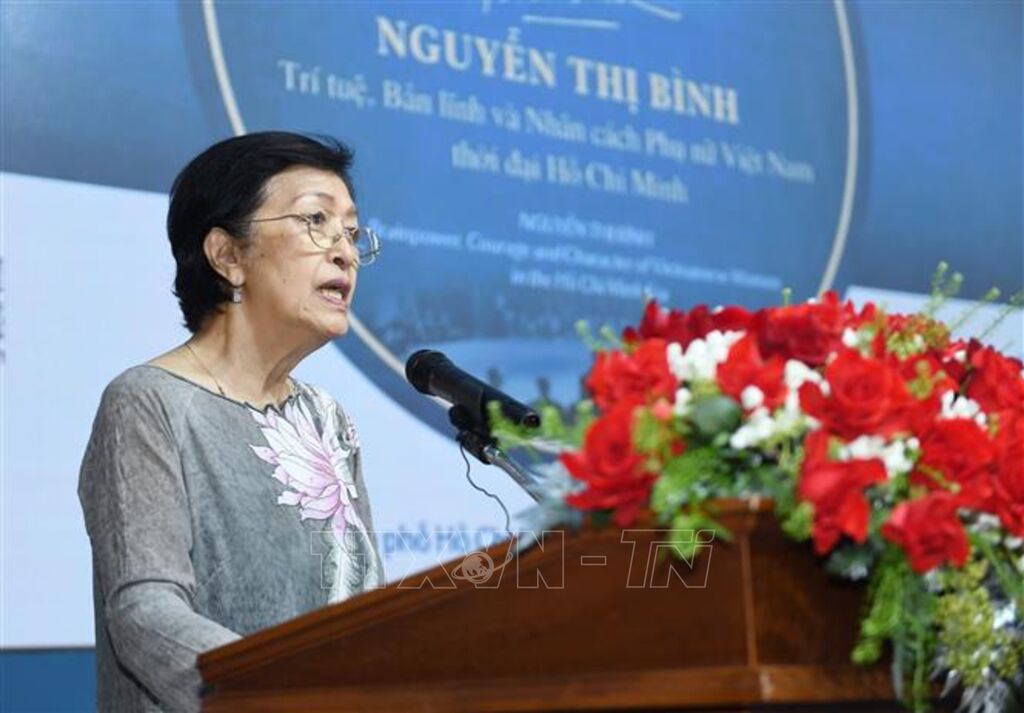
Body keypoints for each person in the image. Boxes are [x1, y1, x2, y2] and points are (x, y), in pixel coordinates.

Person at [77, 132, 385, 712]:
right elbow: (146, 613)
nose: (345, 252)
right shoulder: (147, 402)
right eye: (316, 220)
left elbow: (362, 605)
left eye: (350, 231)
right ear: (227, 256)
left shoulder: (328, 419)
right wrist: (291, 698)